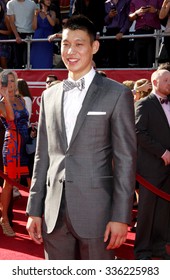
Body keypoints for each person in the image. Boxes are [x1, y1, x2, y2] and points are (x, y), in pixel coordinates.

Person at [26, 15, 137, 260]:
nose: (71, 51)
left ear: (94, 47)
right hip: (53, 213)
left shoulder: (117, 94)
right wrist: (34, 208)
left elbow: (125, 160)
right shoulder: (49, 96)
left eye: (79, 44)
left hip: (97, 212)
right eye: (66, 44)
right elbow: (42, 156)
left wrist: (120, 216)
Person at [134, 67, 170, 259]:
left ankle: (159, 248)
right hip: (150, 168)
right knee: (147, 213)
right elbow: (139, 132)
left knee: (163, 213)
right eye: (166, 81)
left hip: (167, 169)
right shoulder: (143, 104)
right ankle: (142, 251)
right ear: (155, 82)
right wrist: (162, 152)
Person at [0, 69, 30, 236]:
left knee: (23, 180)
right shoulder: (1, 103)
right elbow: (10, 119)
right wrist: (4, 97)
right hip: (11, 144)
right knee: (9, 183)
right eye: (6, 81)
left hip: (24, 143)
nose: (10, 84)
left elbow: (25, 119)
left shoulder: (20, 100)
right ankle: (4, 218)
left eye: (13, 80)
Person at [129, 0, 163, 68]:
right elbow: (130, 18)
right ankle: (141, 77)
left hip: (154, 32)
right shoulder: (134, 1)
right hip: (140, 32)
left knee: (152, 60)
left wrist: (155, 10)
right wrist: (137, 13)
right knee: (140, 60)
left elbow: (164, 14)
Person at [6, 0, 37, 69]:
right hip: (17, 33)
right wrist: (17, 36)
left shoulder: (32, 4)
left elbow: (36, 18)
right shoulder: (11, 3)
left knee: (28, 60)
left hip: (30, 34)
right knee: (18, 60)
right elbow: (11, 21)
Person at [30, 0, 58, 69]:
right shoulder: (36, 13)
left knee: (47, 60)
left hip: (48, 38)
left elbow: (53, 24)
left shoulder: (52, 12)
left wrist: (46, 14)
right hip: (37, 38)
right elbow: (34, 27)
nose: (49, 1)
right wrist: (35, 16)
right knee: (36, 59)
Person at [104, 0, 132, 68]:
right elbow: (104, 21)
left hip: (123, 32)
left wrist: (122, 31)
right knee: (111, 59)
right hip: (110, 32)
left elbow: (129, 18)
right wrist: (109, 16)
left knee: (123, 58)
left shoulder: (126, 2)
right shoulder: (106, 3)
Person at [0, 1, 12, 69]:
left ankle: (6, 78)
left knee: (3, 59)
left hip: (4, 42)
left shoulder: (5, 17)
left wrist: (0, 31)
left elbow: (10, 32)